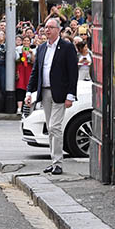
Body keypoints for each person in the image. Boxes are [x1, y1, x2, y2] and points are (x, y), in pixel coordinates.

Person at [25, 17, 78, 175]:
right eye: (45, 28)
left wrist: (71, 95)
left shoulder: (66, 47)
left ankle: (58, 162)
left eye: (51, 27)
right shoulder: (41, 48)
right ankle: (53, 161)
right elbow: (36, 72)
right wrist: (29, 92)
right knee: (50, 127)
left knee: (55, 127)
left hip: (60, 93)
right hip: (45, 91)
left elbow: (73, 73)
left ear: (58, 30)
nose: (47, 30)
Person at [15, 37, 34, 114]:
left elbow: (34, 61)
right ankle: (19, 108)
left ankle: (28, 108)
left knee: (29, 89)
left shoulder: (33, 50)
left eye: (28, 41)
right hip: (21, 69)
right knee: (20, 88)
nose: (26, 42)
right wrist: (23, 54)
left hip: (29, 70)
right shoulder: (18, 49)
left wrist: (31, 53)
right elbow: (18, 60)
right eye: (25, 40)